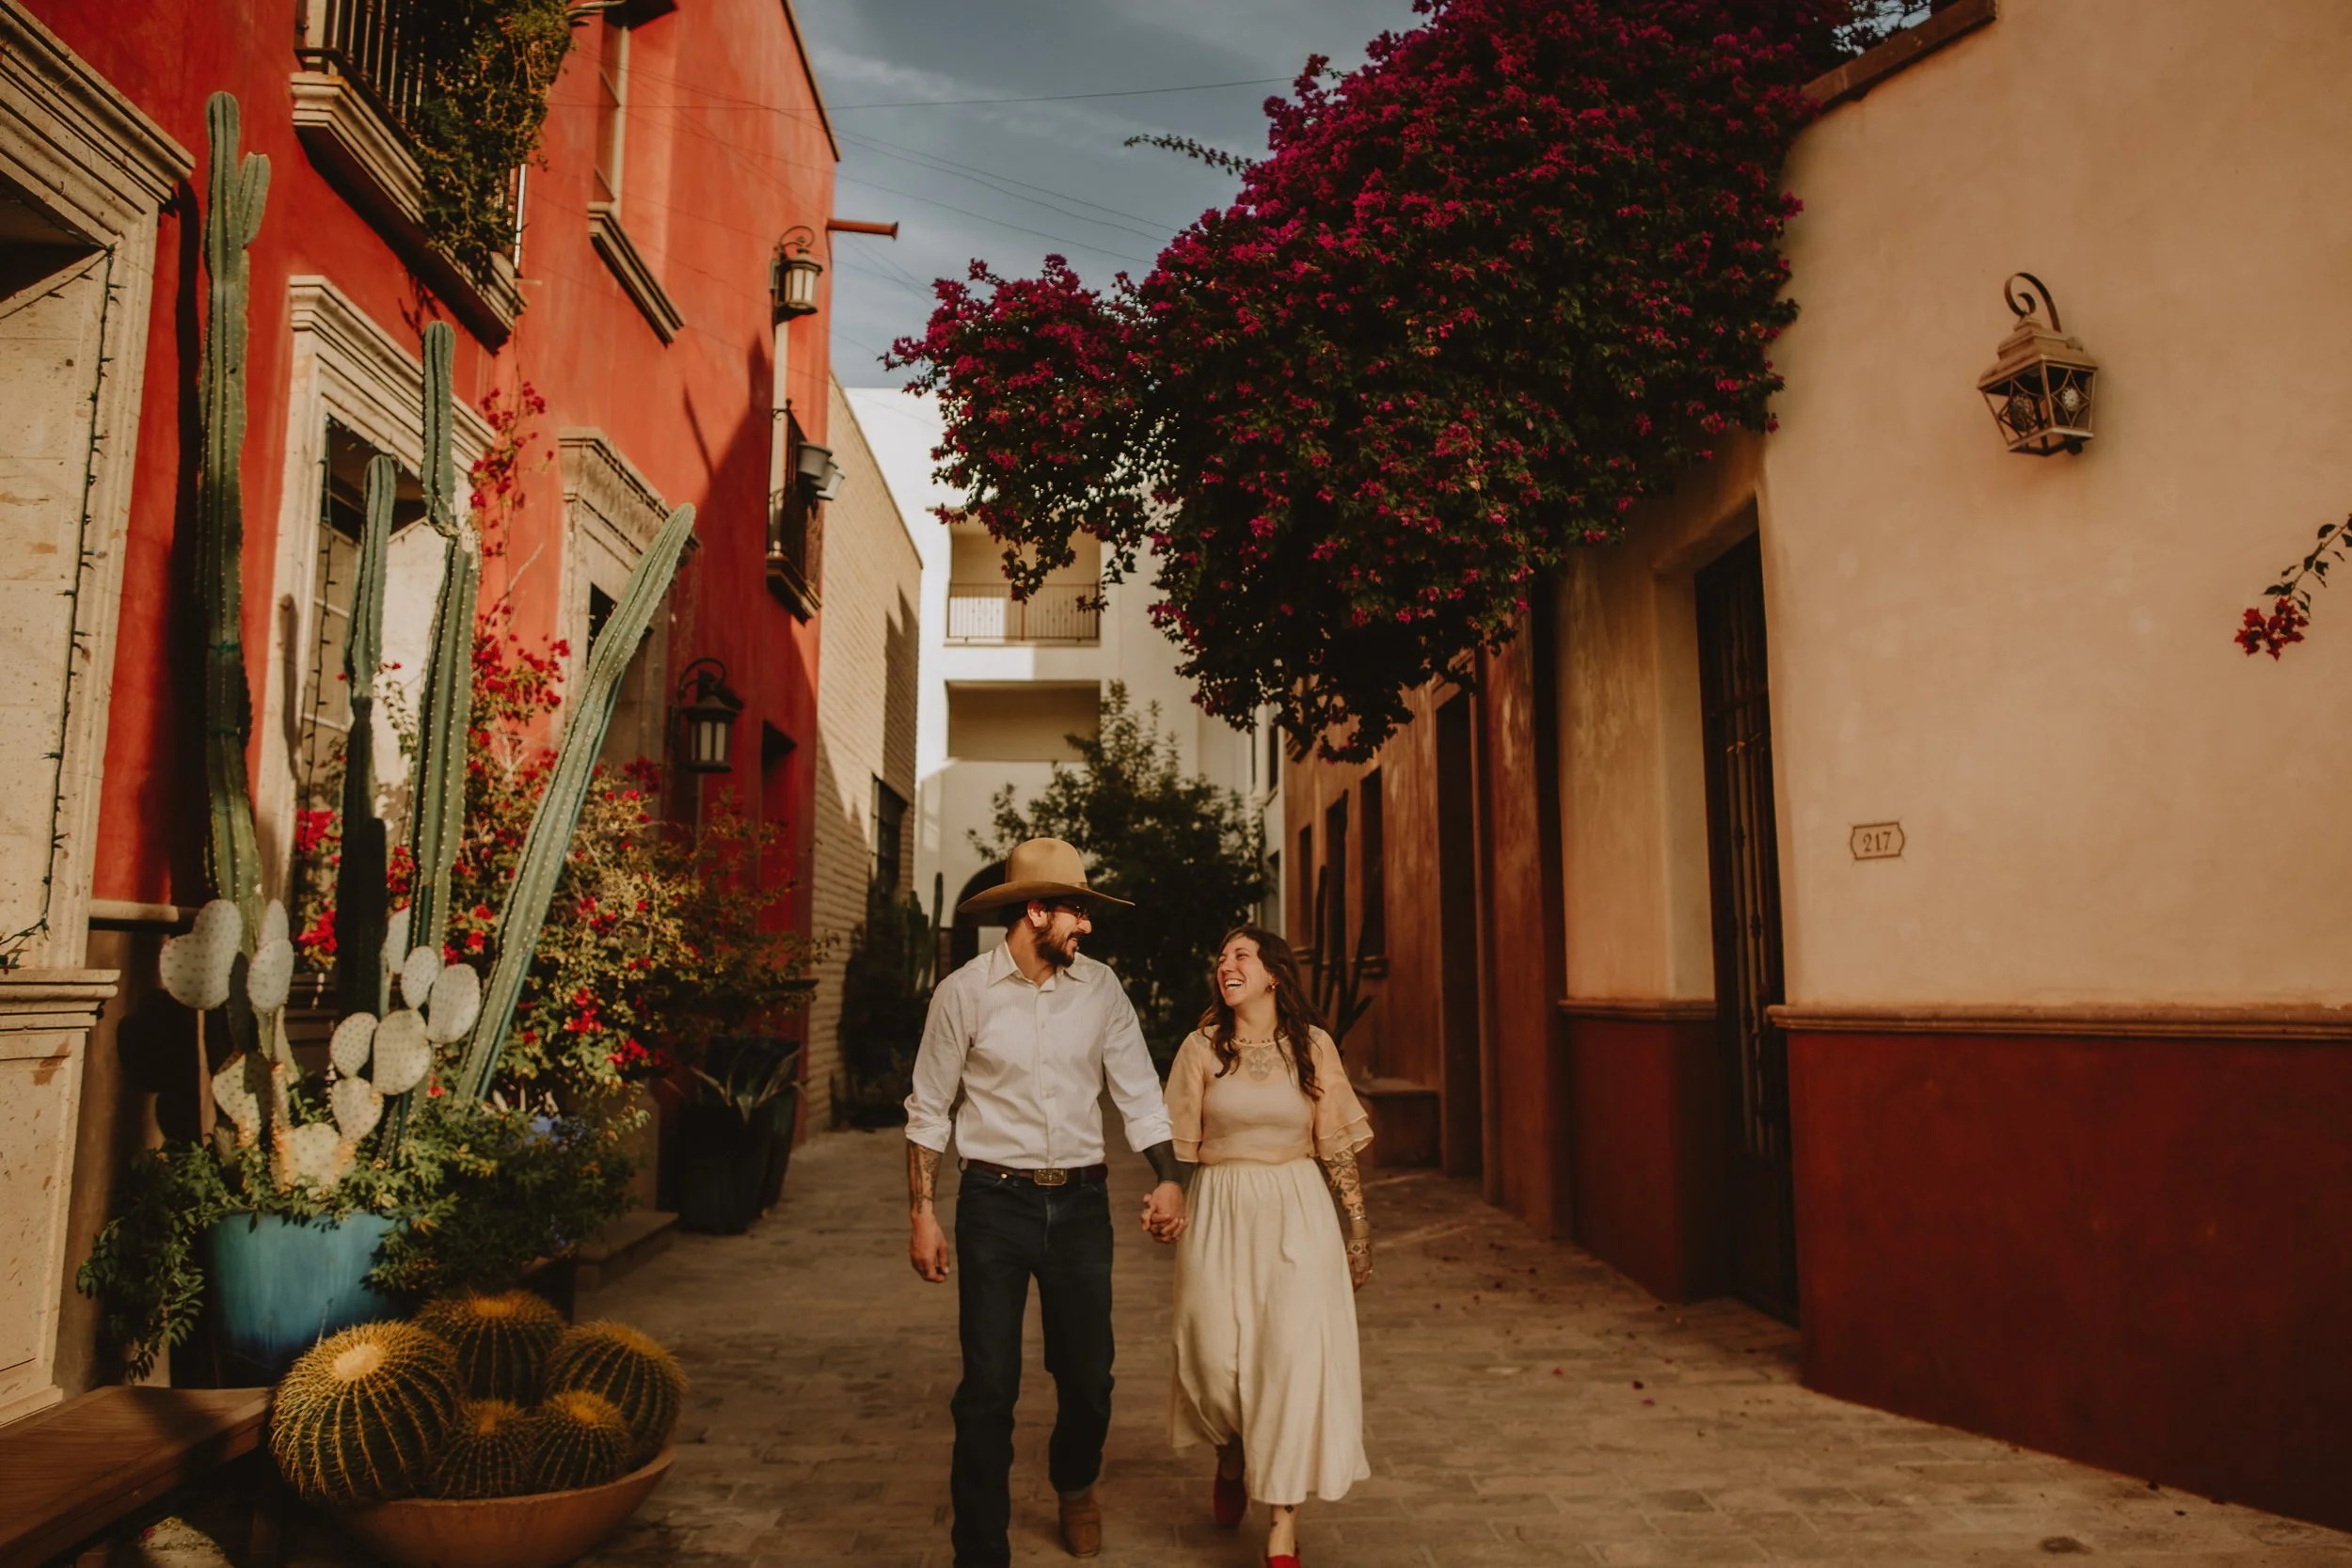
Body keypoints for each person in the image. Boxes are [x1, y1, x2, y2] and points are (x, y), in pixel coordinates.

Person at [904, 837, 1190, 1567]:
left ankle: (1074, 1481)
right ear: (1036, 911)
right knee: (988, 1388)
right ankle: (980, 1550)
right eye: (1076, 912)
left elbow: (1137, 1090)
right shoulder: (962, 993)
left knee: (1089, 1378)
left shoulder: (1102, 989)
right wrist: (924, 1213)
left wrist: (1168, 1175)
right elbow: (929, 1110)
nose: (1086, 927)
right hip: (993, 1203)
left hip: (1083, 1207)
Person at [1163, 926, 1373, 1568]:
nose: (1227, 962)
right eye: (1222, 954)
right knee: (1212, 1354)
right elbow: (1174, 1143)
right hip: (1221, 1209)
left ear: (1273, 973)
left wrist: (1357, 1231)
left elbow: (1335, 1142)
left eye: (1242, 954)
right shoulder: (1199, 1049)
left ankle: (1283, 1523)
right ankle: (1231, 1447)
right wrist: (1168, 1194)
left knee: (1290, 1360)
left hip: (1297, 1209)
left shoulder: (1312, 1046)